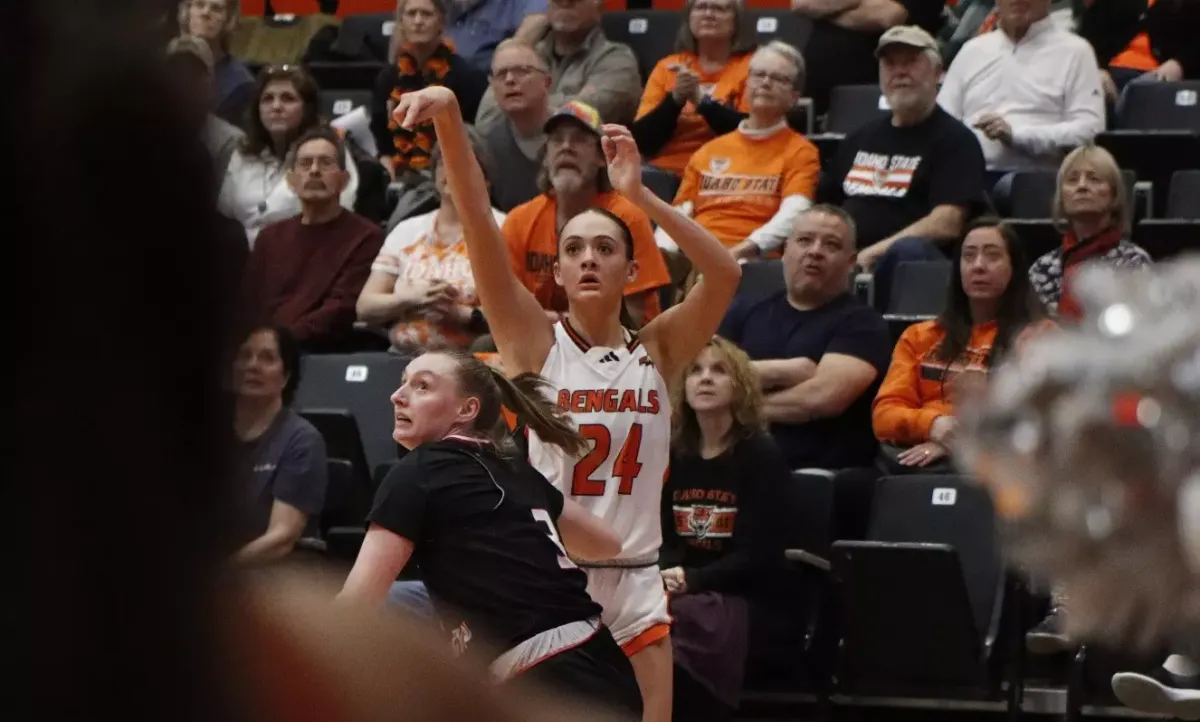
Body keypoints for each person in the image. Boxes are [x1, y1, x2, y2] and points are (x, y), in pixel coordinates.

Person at [391, 85, 743, 722]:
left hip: (636, 578)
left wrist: (642, 198)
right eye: (573, 249)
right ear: (554, 272)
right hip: (550, 580)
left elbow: (724, 274)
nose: (587, 259)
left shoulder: (660, 350)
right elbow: (476, 220)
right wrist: (449, 113)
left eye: (605, 248)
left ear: (630, 270)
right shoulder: (533, 343)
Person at [338, 350, 642, 718]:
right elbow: (606, 543)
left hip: (542, 676)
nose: (397, 395)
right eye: (403, 382)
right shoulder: (514, 470)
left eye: (422, 386)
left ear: (466, 410)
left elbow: (357, 604)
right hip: (601, 658)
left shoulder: (418, 472)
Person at [661, 336, 789, 721]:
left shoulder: (760, 455)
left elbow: (759, 555)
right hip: (686, 589)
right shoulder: (675, 453)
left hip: (747, 597)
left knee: (674, 628)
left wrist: (694, 579)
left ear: (740, 386)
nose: (705, 379)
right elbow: (664, 537)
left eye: (719, 371)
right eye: (696, 371)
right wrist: (668, 573)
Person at [871, 219, 1045, 474]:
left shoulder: (1041, 338)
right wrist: (934, 425)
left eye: (992, 255)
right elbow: (884, 415)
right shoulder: (920, 336)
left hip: (1001, 466)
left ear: (1014, 268)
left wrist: (960, 439)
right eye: (969, 256)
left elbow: (1040, 420)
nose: (978, 266)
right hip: (919, 458)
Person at [658, 41, 820, 259]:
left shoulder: (801, 151)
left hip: (754, 263)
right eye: (758, 75)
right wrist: (662, 259)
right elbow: (677, 216)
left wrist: (741, 251)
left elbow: (794, 214)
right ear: (746, 85)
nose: (765, 83)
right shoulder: (709, 151)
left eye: (778, 78)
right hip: (695, 261)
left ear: (794, 97)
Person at [357, 138, 504, 352]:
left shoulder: (506, 230)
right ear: (435, 174)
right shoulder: (406, 231)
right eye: (445, 162)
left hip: (472, 362)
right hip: (401, 359)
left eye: (464, 161)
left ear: (486, 178)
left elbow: (521, 313)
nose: (453, 168)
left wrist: (464, 315)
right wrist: (411, 299)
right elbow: (365, 306)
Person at [218, 66, 361, 247]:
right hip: (243, 261)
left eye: (288, 98)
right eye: (267, 99)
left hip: (307, 255)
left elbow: (340, 218)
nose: (276, 106)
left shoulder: (327, 150)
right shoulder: (243, 153)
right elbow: (225, 217)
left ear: (307, 108)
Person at [231, 324, 329, 565]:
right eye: (245, 356)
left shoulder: (302, 439)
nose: (252, 365)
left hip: (271, 575)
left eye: (267, 358)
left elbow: (281, 538)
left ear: (285, 376)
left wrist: (216, 576)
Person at [1028, 145, 1152, 322]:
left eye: (1094, 179)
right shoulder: (1043, 269)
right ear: (1061, 197)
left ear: (1114, 194)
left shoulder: (1133, 262)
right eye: (1072, 180)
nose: (1082, 186)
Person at [631, 0, 754, 175]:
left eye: (719, 8)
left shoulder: (752, 67)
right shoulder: (667, 67)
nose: (708, 14)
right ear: (689, 18)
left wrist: (702, 102)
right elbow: (643, 141)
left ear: (737, 21)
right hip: (666, 172)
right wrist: (675, 99)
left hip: (727, 171)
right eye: (700, 7)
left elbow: (753, 132)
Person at [372, 0, 488, 182]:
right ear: (401, 22)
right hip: (400, 174)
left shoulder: (468, 77)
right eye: (411, 14)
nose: (418, 21)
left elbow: (474, 138)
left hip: (450, 175)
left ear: (441, 22)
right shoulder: (388, 77)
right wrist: (385, 160)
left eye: (426, 14)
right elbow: (382, 142)